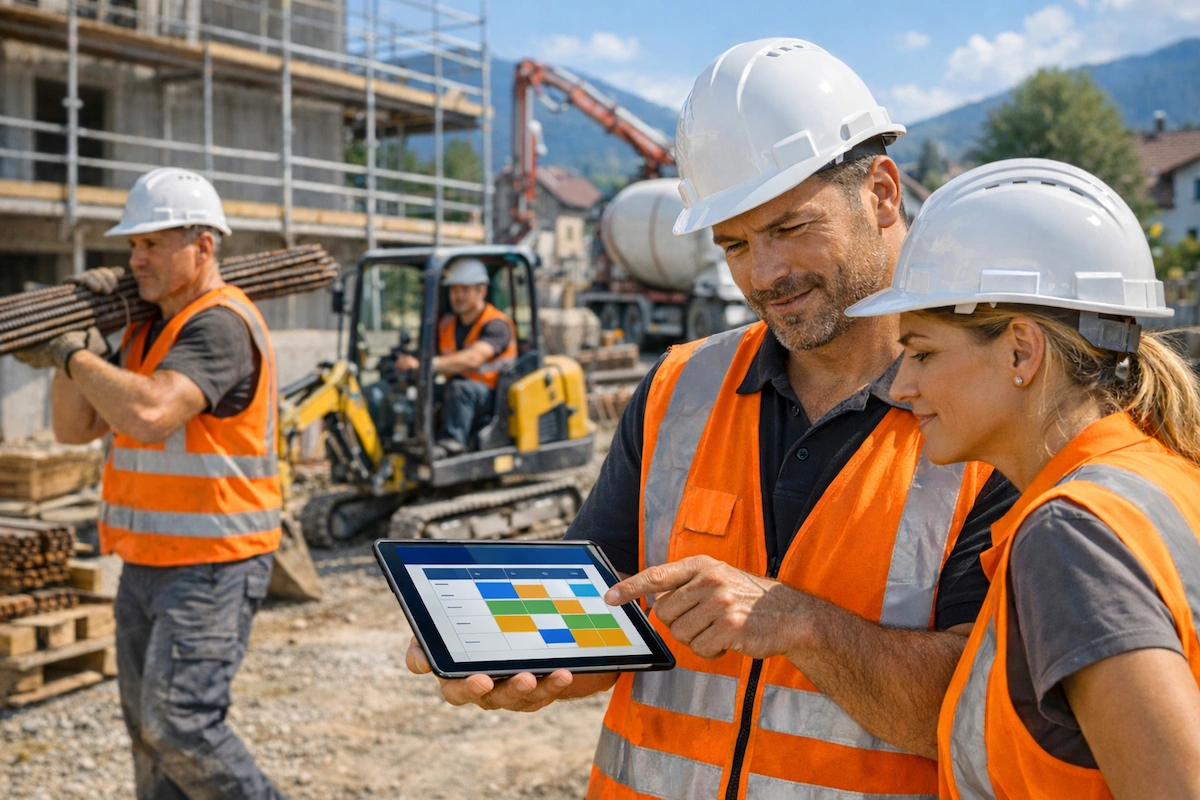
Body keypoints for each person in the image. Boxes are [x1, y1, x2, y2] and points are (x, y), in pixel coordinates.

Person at [407, 39, 1019, 798]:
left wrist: (801, 623)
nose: (764, 275)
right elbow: (603, 614)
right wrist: (527, 667)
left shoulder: (991, 418)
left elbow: (981, 715)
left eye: (792, 228)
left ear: (883, 194)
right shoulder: (679, 387)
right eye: (734, 244)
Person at [845, 158, 1200, 799]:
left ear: (1021, 350)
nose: (902, 387)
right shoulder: (1162, 480)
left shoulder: (1072, 537)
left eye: (923, 353)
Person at [16, 167, 288, 799]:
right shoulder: (146, 328)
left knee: (181, 730)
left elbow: (148, 411)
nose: (135, 258)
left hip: (213, 564)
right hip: (145, 562)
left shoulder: (218, 325)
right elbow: (73, 428)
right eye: (131, 245)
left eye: (151, 244)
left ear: (203, 246)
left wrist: (70, 354)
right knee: (148, 734)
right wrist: (79, 338)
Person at [393, 257, 516, 454]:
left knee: (460, 389)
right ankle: (415, 438)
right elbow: (429, 353)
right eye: (454, 290)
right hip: (458, 390)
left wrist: (426, 365)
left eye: (464, 290)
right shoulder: (446, 324)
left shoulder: (496, 325)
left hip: (493, 396)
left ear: (481, 291)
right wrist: (409, 361)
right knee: (425, 391)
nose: (458, 296)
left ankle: (453, 442)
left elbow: (473, 358)